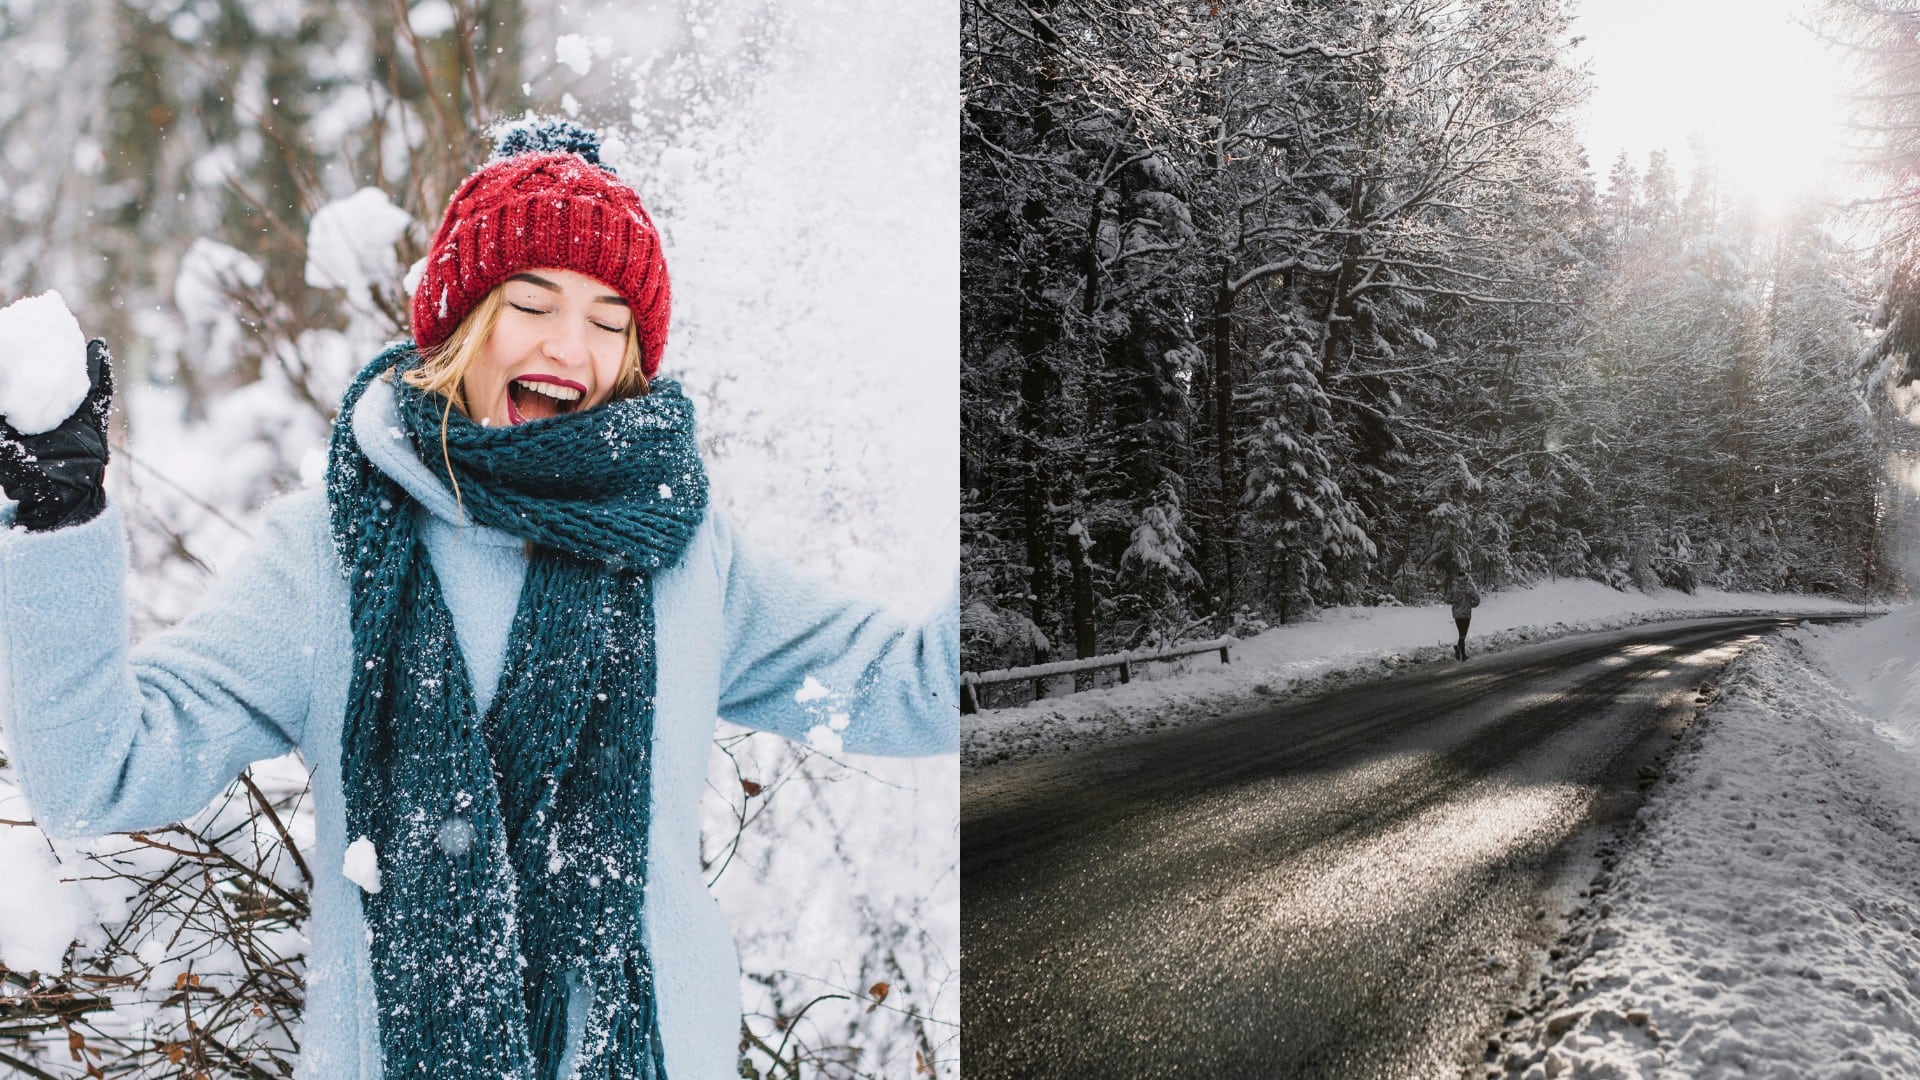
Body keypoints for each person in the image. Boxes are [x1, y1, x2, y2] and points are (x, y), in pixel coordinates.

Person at [0, 120, 957, 1080]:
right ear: (462, 320)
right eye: (531, 304)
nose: (569, 347)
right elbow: (99, 773)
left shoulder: (682, 553)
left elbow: (914, 684)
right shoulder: (334, 556)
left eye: (609, 320)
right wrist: (59, 519)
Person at [1446, 564, 1481, 661]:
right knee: (1463, 634)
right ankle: (1461, 652)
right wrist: (1471, 605)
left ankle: (1462, 653)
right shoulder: (1469, 588)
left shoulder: (1454, 588)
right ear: (1466, 579)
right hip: (1466, 614)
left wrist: (1454, 602)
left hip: (1457, 614)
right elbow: (1477, 599)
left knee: (1461, 633)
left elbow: (1446, 599)